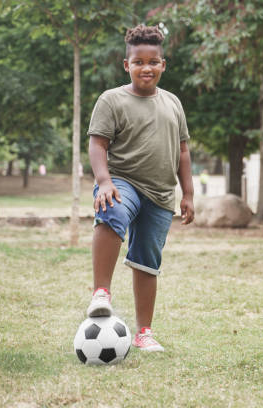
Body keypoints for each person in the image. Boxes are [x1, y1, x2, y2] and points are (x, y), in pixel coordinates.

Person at [86, 24, 194, 352]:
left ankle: (144, 332)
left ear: (163, 64)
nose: (146, 68)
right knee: (112, 210)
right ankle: (100, 294)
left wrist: (187, 193)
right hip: (122, 181)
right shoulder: (112, 100)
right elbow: (97, 144)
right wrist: (104, 181)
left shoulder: (173, 103)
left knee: (148, 261)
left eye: (153, 62)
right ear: (126, 65)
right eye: (138, 62)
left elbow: (183, 150)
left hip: (160, 194)